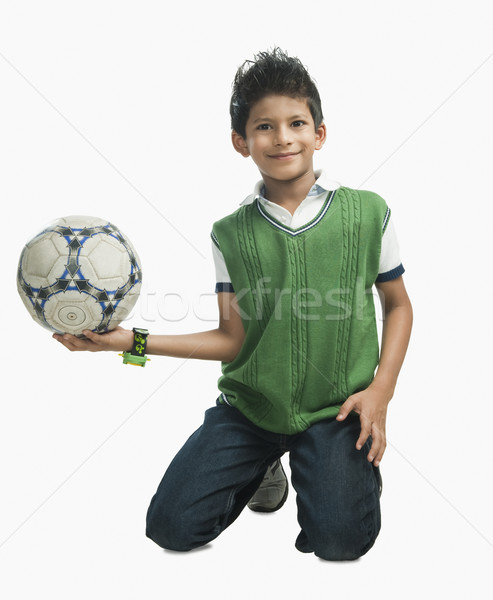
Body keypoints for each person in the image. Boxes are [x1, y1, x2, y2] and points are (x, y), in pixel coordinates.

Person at [54, 48, 413, 560]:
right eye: (264, 126)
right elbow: (231, 339)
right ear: (241, 142)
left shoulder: (368, 212)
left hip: (337, 411)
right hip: (250, 410)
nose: (283, 137)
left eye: (296, 123)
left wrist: (381, 392)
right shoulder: (229, 233)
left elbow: (399, 306)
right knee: (170, 528)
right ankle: (262, 465)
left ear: (320, 133)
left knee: (340, 543)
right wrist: (124, 344)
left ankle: (345, 480)